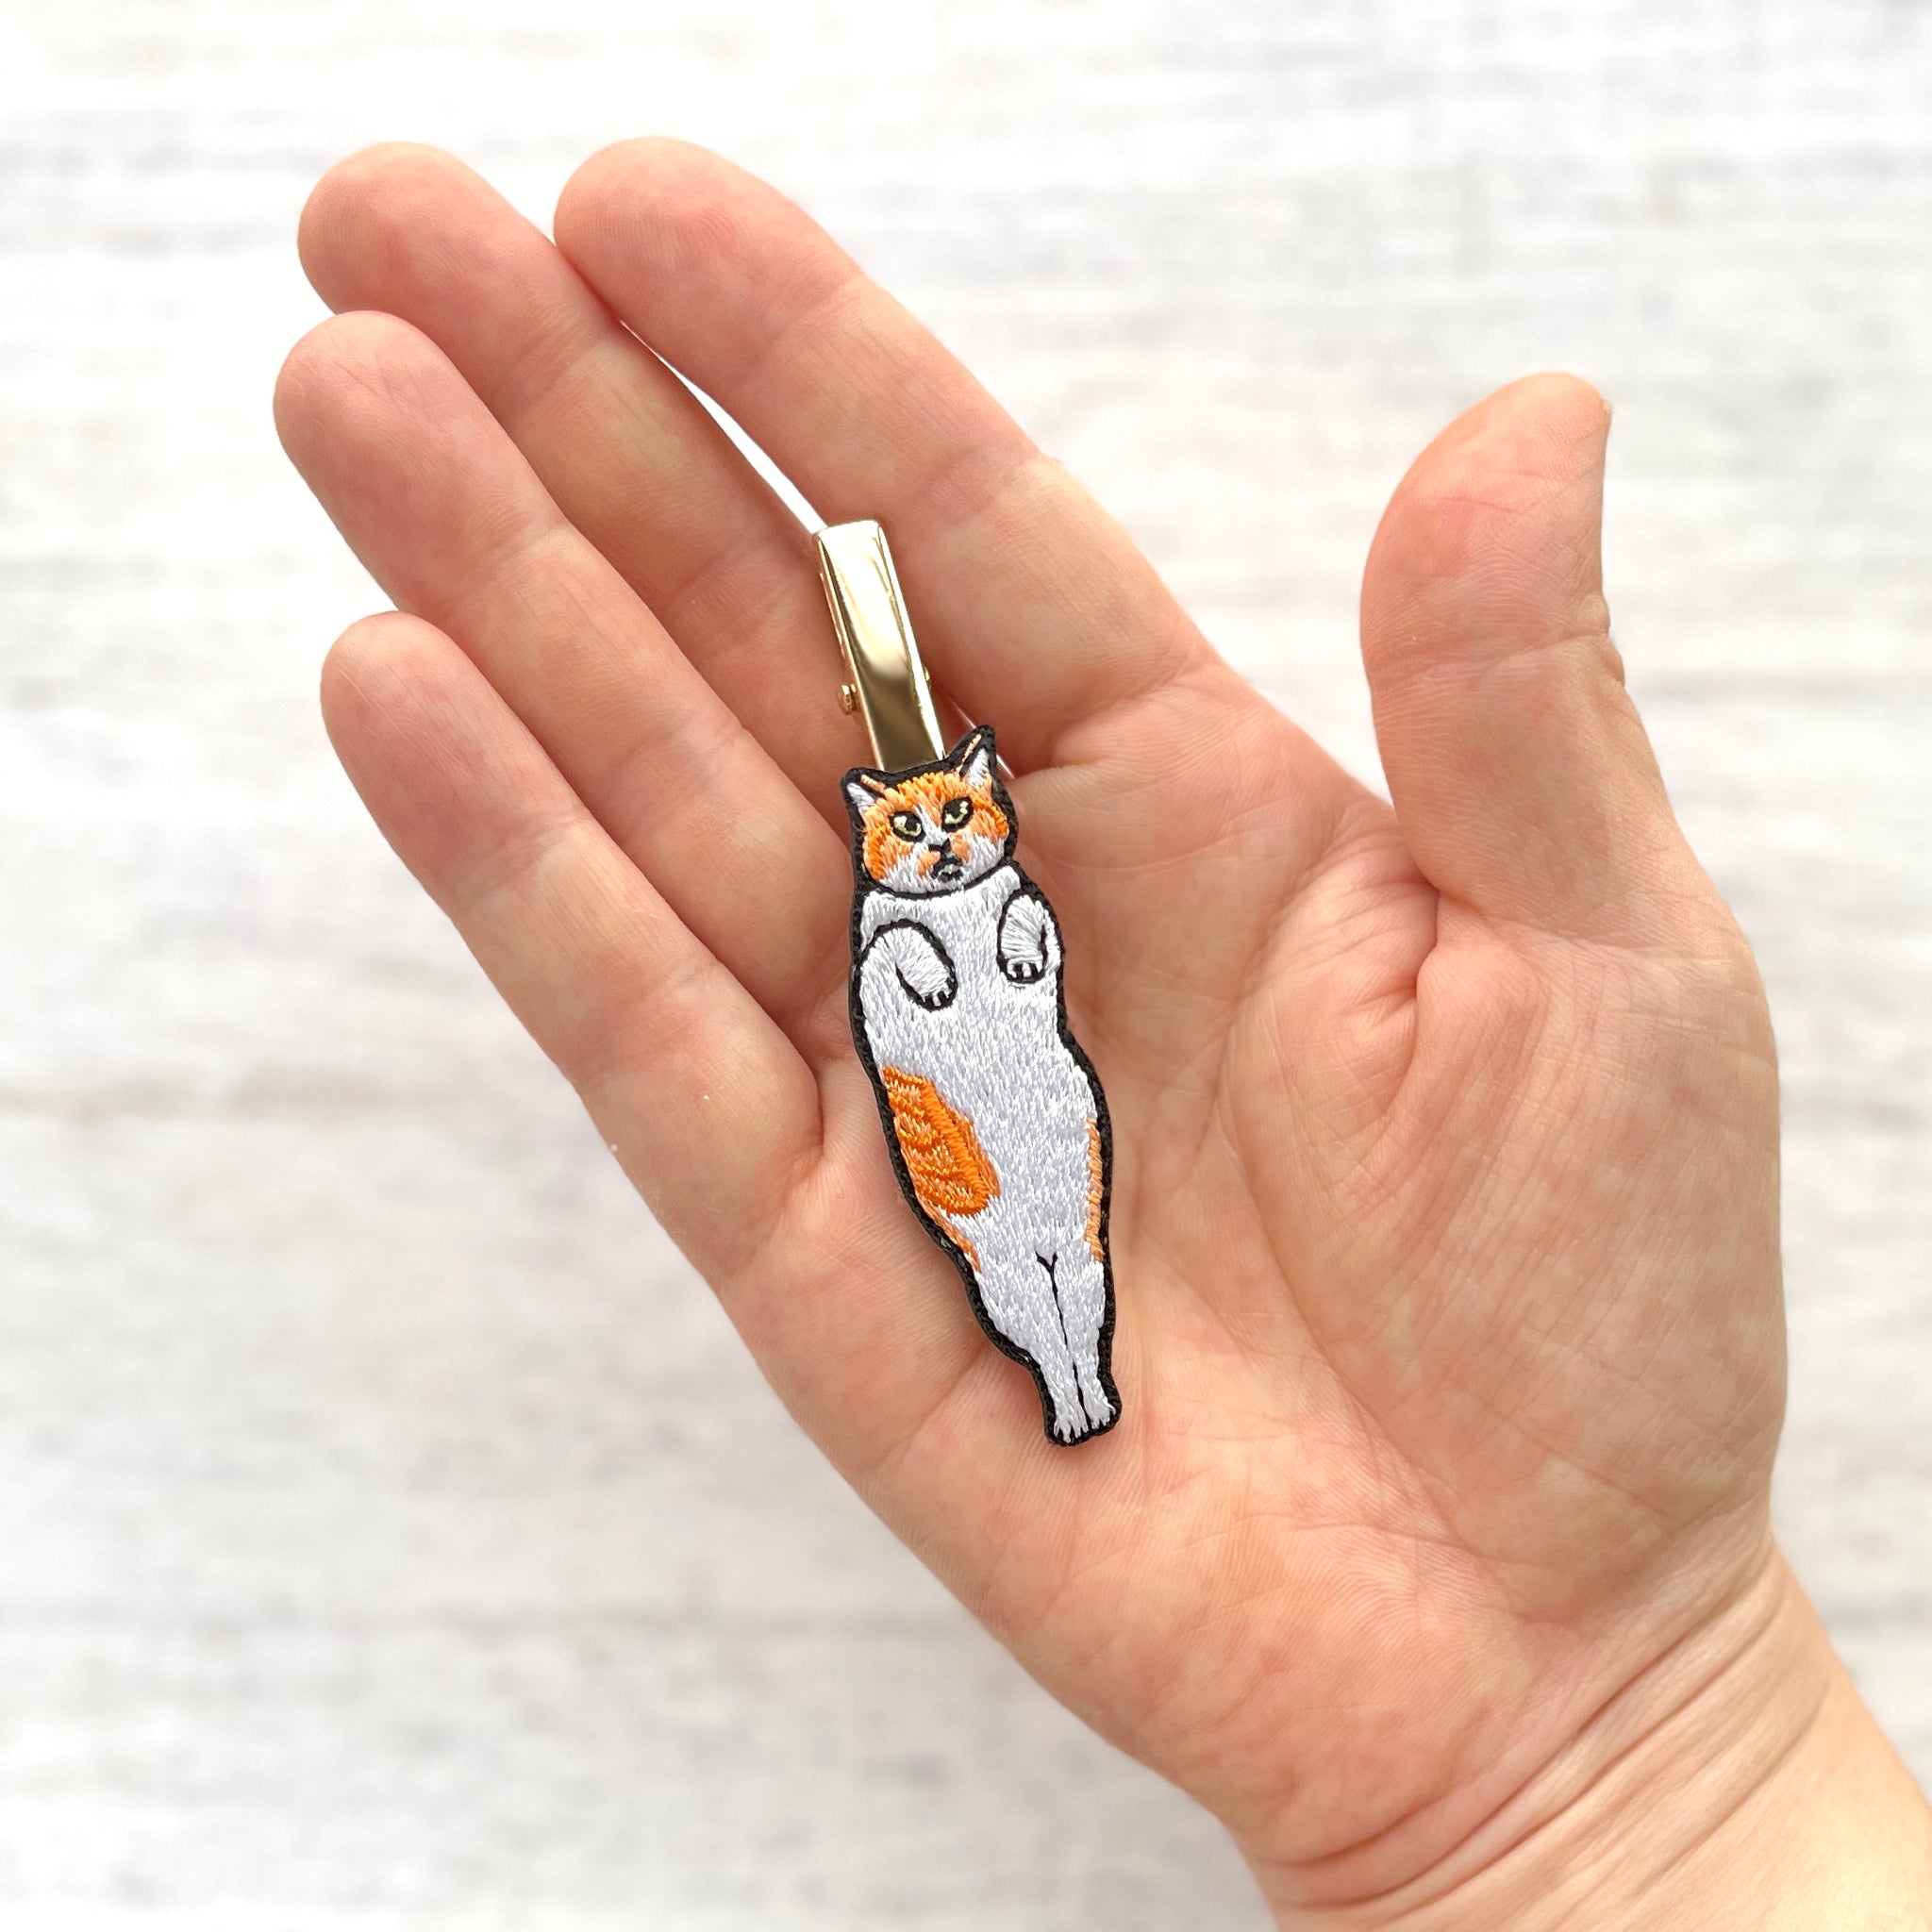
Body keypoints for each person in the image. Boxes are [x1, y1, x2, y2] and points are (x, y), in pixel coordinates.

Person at [275, 139, 1932, 1927]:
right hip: (968, 1140)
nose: (940, 849)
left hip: (1050, 1119)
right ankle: (1070, 1375)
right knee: (1013, 1250)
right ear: (881, 823)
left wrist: (1648, 1746)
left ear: (981, 804)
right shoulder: (896, 914)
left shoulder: (997, 886)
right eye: (913, 835)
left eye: (958, 826)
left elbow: (1022, 972)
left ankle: (1084, 1370)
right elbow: (914, 1011)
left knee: (1065, 1237)